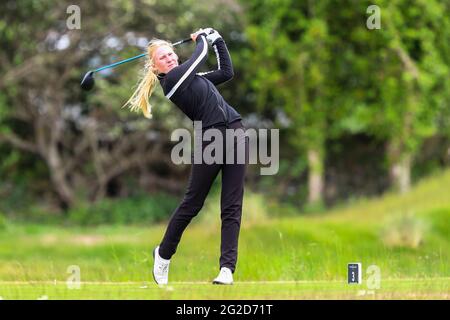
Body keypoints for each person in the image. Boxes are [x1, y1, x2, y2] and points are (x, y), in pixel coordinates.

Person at [123, 28, 248, 285]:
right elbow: (200, 53)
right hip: (210, 140)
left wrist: (219, 41)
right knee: (193, 203)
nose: (169, 58)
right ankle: (164, 254)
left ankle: (227, 269)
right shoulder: (172, 82)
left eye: (170, 54)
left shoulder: (194, 77)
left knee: (232, 205)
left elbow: (227, 72)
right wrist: (204, 37)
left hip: (236, 132)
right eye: (163, 57)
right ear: (156, 67)